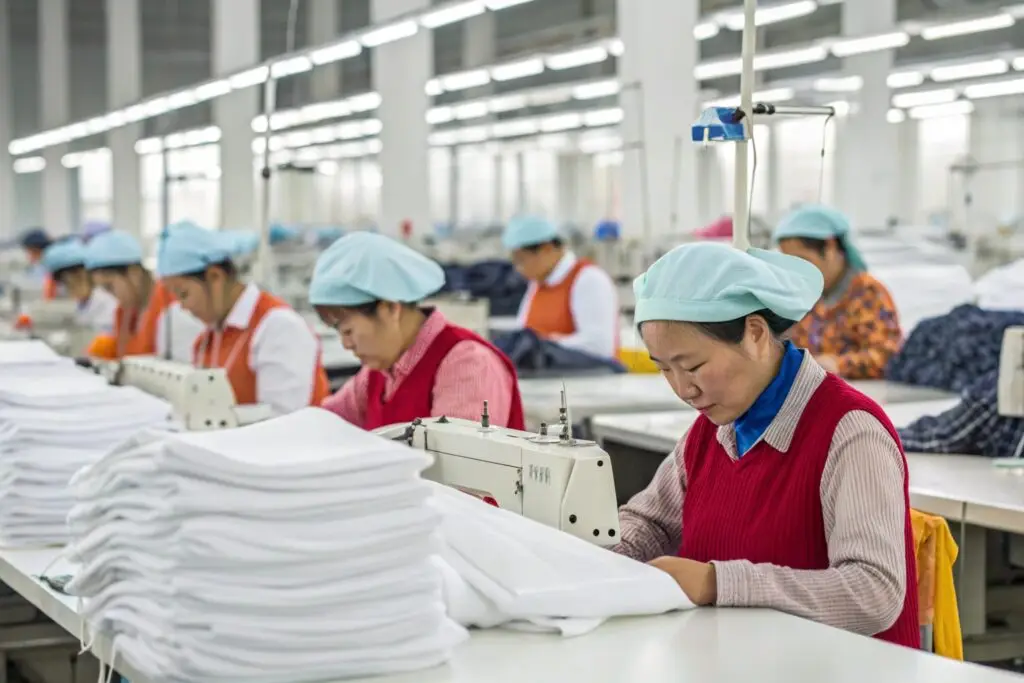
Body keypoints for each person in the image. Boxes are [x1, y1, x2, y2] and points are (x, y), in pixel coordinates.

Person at [613, 241, 919, 648]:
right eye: (664, 369)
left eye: (693, 366)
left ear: (755, 333)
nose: (683, 388)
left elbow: (873, 591)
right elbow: (651, 524)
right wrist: (596, 556)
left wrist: (717, 583)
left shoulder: (848, 432)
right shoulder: (710, 431)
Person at [312, 232, 525, 430]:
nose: (346, 344)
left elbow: (458, 466)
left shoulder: (467, 366)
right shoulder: (378, 374)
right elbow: (323, 424)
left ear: (390, 308)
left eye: (348, 331)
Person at [157, 223, 330, 416]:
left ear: (215, 276)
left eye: (183, 294)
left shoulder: (277, 327)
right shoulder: (207, 340)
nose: (182, 307)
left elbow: (284, 420)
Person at [773, 205, 902, 380]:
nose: (797, 270)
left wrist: (837, 364)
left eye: (804, 260)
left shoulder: (868, 294)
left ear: (830, 247)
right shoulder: (805, 296)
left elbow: (888, 356)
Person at [503, 216, 618, 361]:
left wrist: (541, 346)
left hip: (588, 380)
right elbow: (522, 333)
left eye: (521, 260)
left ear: (547, 249)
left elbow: (600, 346)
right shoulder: (537, 284)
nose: (518, 269)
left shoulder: (588, 279)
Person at [84, 229, 203, 361]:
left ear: (134, 272)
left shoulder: (172, 307)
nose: (110, 296)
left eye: (110, 287)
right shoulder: (123, 314)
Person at [40, 238, 119, 357]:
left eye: (70, 281)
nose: (68, 287)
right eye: (65, 283)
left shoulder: (107, 301)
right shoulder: (84, 302)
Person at [19, 227, 58, 299]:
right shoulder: (36, 268)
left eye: (30, 252)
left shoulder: (52, 267)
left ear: (37, 250)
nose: (29, 257)